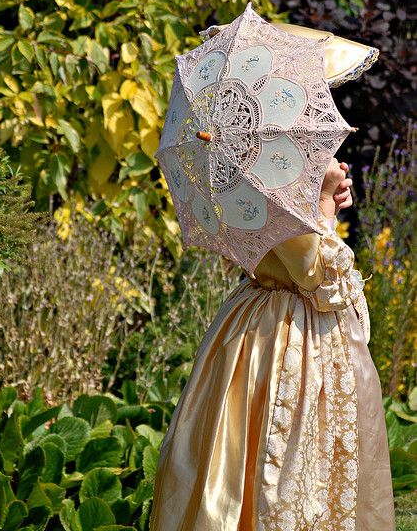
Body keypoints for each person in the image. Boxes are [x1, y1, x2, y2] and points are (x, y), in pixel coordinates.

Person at [149, 156, 396, 530]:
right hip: (288, 332)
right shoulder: (275, 170)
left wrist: (322, 196)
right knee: (286, 453)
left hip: (254, 315)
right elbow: (314, 274)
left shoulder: (246, 162)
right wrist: (325, 201)